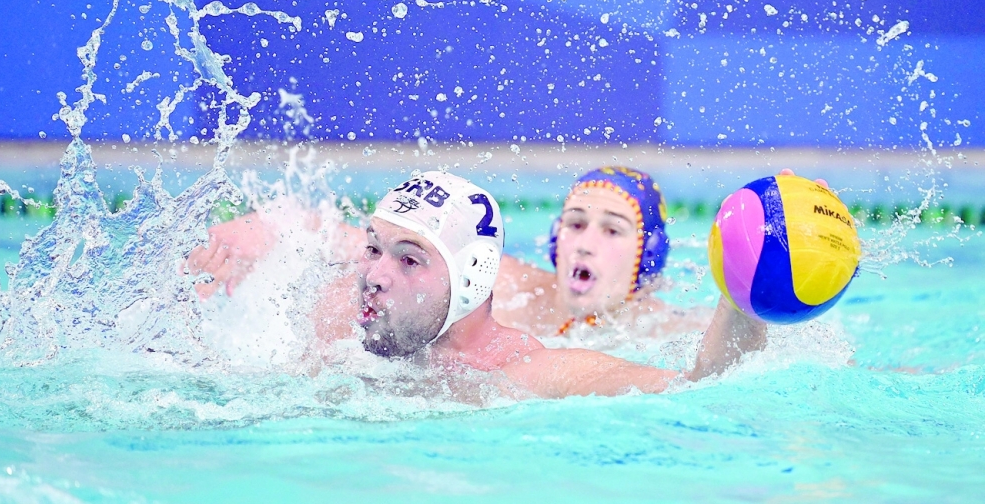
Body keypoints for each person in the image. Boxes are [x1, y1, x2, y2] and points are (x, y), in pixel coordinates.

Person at [188, 171, 767, 397]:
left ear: (471, 281)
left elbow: (700, 386)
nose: (375, 276)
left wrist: (746, 295)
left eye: (410, 260)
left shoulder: (520, 370)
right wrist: (249, 237)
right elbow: (318, 233)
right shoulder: (335, 314)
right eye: (373, 250)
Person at [491, 166, 710, 338]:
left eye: (612, 230)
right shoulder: (499, 291)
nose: (584, 245)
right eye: (576, 224)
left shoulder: (676, 333)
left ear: (647, 256)